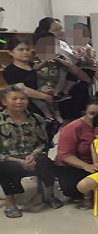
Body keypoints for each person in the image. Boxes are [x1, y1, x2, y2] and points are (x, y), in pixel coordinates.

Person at [0, 86, 63, 218]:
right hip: (8, 159)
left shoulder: (36, 119)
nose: (19, 102)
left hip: (32, 157)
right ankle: (10, 203)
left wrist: (33, 155)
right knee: (5, 168)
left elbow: (43, 143)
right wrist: (18, 161)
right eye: (14, 99)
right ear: (4, 101)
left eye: (23, 98)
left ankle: (49, 195)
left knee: (45, 162)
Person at [55, 98, 98, 206]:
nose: (97, 116)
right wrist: (86, 166)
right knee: (73, 190)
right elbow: (64, 155)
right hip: (76, 165)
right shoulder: (72, 128)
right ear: (85, 113)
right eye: (92, 113)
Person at [2, 38, 54, 118]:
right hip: (27, 105)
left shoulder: (31, 65)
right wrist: (45, 97)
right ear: (10, 52)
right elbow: (22, 89)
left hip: (42, 99)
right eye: (20, 50)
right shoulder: (10, 70)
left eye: (27, 49)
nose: (25, 52)